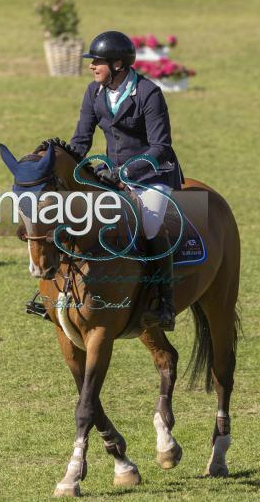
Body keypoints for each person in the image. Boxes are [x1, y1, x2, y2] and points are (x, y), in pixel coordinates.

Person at [68, 30, 184, 331]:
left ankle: (164, 303)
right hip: (112, 176)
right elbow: (81, 140)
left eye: (98, 62)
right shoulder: (94, 93)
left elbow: (161, 147)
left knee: (149, 224)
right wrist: (67, 168)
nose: (92, 66)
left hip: (152, 174)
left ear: (118, 65)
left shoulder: (148, 93)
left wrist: (126, 173)